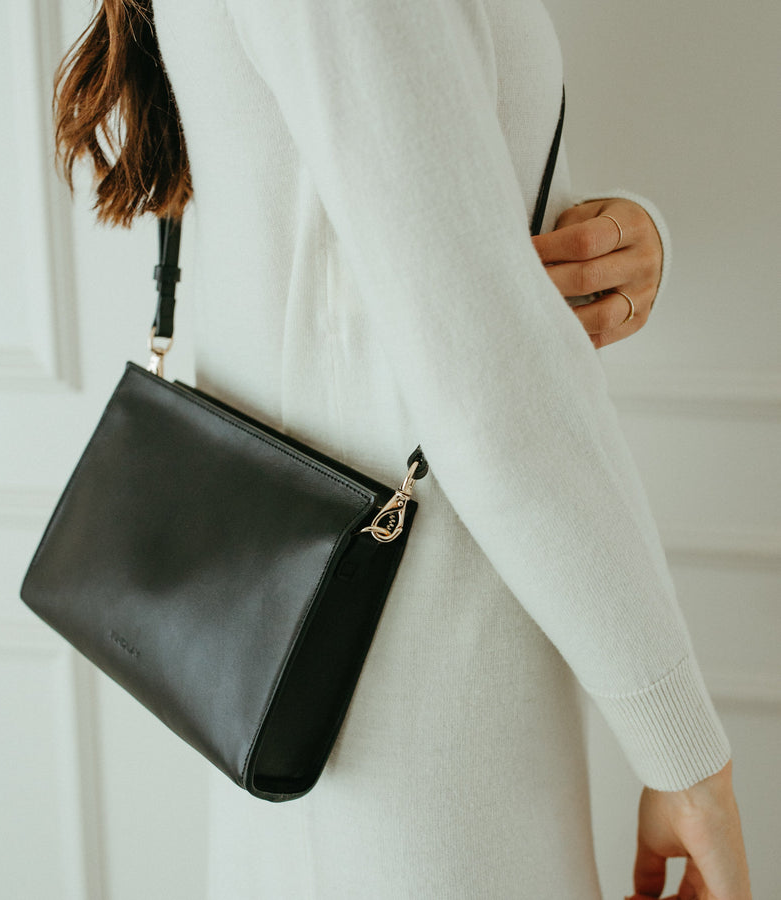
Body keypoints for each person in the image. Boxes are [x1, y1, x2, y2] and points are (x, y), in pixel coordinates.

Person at [54, 1, 751, 896]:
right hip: (411, 712)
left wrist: (617, 238)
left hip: (320, 665)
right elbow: (486, 385)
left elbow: (391, 251)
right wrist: (683, 753)